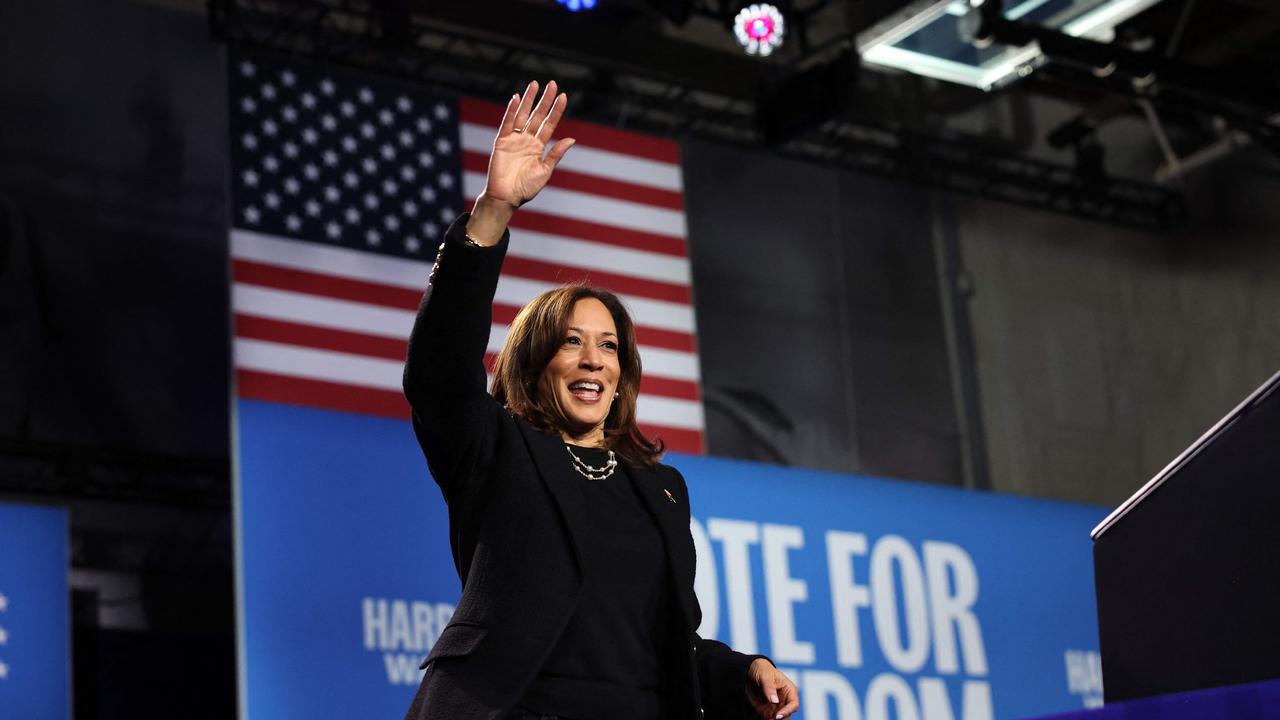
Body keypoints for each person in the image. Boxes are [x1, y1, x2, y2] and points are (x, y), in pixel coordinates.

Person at [402, 80, 800, 720]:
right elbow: (439, 373)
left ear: (624, 371)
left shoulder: (662, 490)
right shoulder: (496, 449)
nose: (594, 360)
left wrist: (742, 670)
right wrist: (494, 211)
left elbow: (663, 646)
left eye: (610, 347)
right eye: (572, 344)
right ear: (535, 363)